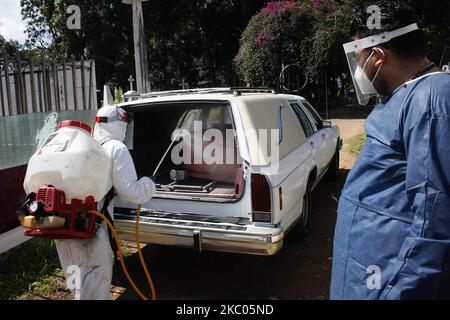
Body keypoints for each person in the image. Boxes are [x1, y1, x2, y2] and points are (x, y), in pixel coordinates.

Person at [331, 1, 450, 300]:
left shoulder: (431, 101)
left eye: (361, 59)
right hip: (368, 277)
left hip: (387, 284)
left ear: (379, 56)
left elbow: (435, 221)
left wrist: (397, 293)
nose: (359, 69)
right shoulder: (408, 95)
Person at [56, 105, 156, 300]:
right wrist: (149, 184)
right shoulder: (115, 147)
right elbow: (130, 192)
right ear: (121, 124)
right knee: (94, 288)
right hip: (90, 230)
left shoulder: (83, 145)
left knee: (77, 284)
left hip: (62, 228)